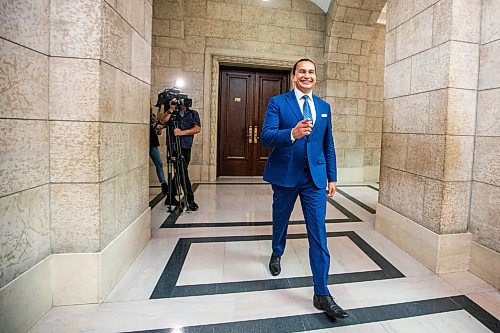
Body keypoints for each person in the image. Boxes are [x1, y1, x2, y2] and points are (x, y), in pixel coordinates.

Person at [260, 59, 348, 320]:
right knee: (281, 220)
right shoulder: (278, 102)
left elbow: (327, 143)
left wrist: (332, 176)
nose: (307, 76)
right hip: (285, 175)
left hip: (315, 179)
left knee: (318, 232)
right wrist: (292, 133)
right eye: (302, 72)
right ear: (293, 76)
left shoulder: (323, 107)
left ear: (315, 77)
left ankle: (321, 293)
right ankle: (277, 252)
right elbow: (266, 137)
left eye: (311, 72)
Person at [157, 98, 201, 211]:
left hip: (186, 146)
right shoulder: (172, 114)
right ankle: (190, 200)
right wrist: (170, 109)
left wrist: (182, 132)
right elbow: (162, 122)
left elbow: (197, 128)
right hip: (174, 147)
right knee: (183, 172)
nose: (181, 103)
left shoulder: (193, 113)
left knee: (180, 172)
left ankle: (170, 196)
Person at [150, 109, 168, 195]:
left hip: (152, 143)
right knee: (159, 163)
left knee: (159, 163)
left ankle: (163, 183)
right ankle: (164, 184)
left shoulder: (152, 116)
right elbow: (158, 126)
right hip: (147, 142)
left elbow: (159, 129)